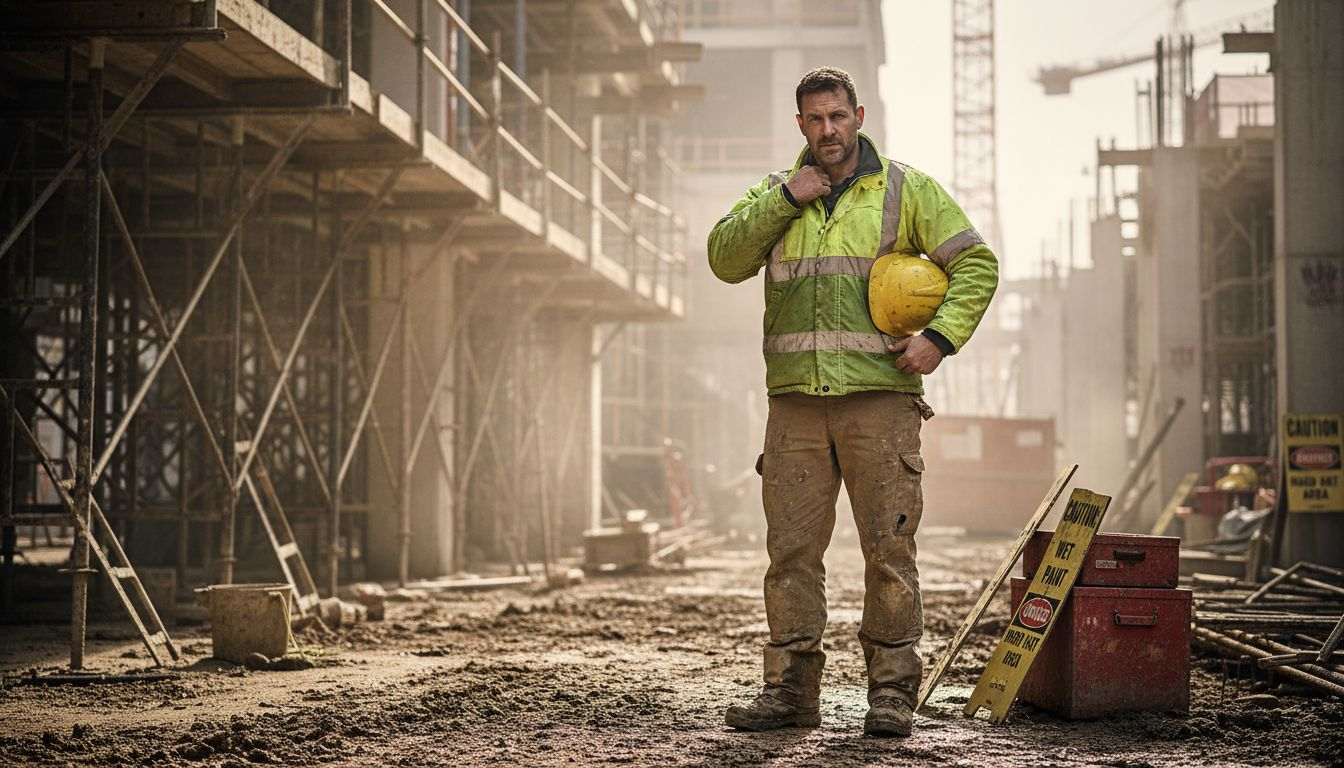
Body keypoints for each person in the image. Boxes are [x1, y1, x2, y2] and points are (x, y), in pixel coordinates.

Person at [708, 67, 998, 738]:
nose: (827, 130)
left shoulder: (905, 189)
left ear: (858, 115)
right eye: (814, 119)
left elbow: (976, 264)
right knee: (790, 554)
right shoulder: (777, 193)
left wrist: (939, 339)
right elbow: (724, 258)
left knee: (888, 549)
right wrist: (786, 197)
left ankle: (892, 695)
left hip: (881, 402)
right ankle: (789, 694)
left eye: (837, 116)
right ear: (801, 125)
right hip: (797, 407)